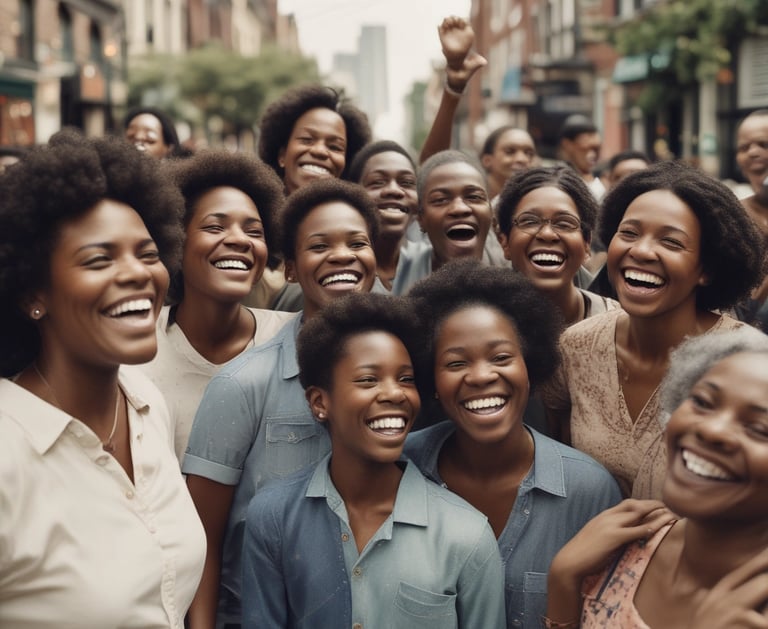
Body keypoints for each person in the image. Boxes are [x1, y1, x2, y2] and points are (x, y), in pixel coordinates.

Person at [0, 131, 206, 627]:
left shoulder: (145, 402)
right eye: (99, 259)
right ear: (34, 293)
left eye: (149, 253)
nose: (138, 274)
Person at [242, 292, 506, 629]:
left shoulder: (467, 535)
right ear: (320, 402)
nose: (395, 393)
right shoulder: (273, 517)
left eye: (406, 379)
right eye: (368, 379)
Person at [182, 178, 378, 629]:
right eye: (319, 245)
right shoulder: (241, 383)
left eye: (358, 242)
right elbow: (202, 541)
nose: (343, 255)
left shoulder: (406, 379)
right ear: (289, 269)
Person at [404, 260, 622, 628]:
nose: (482, 375)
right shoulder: (399, 468)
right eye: (456, 363)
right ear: (432, 383)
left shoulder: (590, 491)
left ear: (530, 368)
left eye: (501, 357)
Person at [541, 161, 767, 499]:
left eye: (671, 242)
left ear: (705, 268)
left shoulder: (749, 359)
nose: (642, 251)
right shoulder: (575, 347)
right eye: (629, 233)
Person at [544, 327, 768, 629]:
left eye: (759, 429)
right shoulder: (622, 551)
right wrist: (563, 582)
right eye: (702, 402)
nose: (711, 429)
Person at [139, 150, 295, 463]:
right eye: (215, 227)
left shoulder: (293, 338)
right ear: (176, 241)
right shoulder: (137, 349)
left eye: (254, 231)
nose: (240, 240)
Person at [250, 84, 372, 311]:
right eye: (307, 140)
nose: (320, 151)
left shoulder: (357, 229)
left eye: (335, 147)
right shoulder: (250, 220)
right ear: (282, 155)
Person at [497, 166, 618, 327]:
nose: (547, 234)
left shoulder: (617, 324)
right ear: (504, 241)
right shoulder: (476, 322)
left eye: (564, 223)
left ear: (587, 243)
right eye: (530, 221)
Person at [392, 149, 492, 295]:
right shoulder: (399, 274)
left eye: (474, 197)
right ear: (421, 219)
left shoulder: (514, 281)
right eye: (440, 200)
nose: (459, 208)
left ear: (491, 213)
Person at [347, 140, 419, 291]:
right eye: (378, 182)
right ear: (353, 194)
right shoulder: (338, 270)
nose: (394, 190)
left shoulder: (434, 264)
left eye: (406, 182)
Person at [558, 116, 605, 201]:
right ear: (567, 145)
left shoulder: (604, 177)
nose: (592, 155)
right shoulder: (557, 178)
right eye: (586, 149)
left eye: (596, 149)